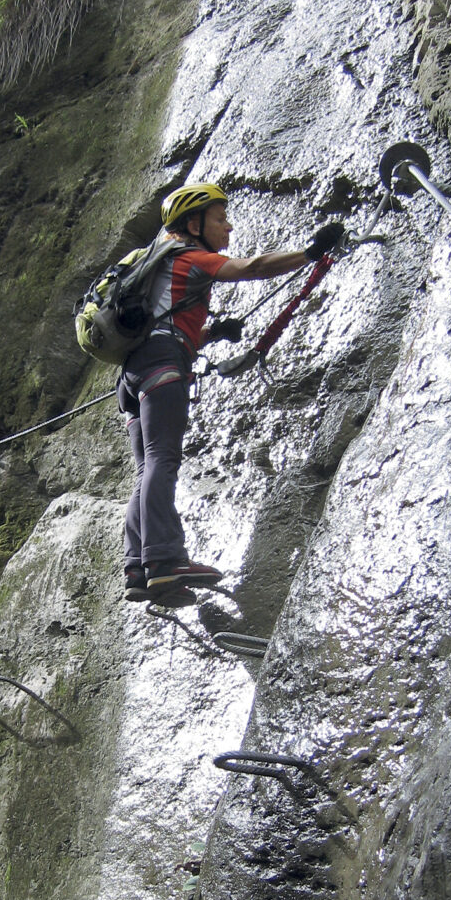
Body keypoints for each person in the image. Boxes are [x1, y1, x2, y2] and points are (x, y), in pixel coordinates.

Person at [119, 183, 344, 603]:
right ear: (194, 223)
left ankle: (138, 567)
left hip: (132, 377)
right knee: (163, 460)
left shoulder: (153, 268)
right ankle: (165, 561)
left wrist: (210, 334)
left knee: (146, 467)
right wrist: (310, 253)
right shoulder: (186, 257)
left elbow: (160, 327)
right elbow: (251, 267)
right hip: (163, 367)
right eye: (221, 219)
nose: (229, 227)